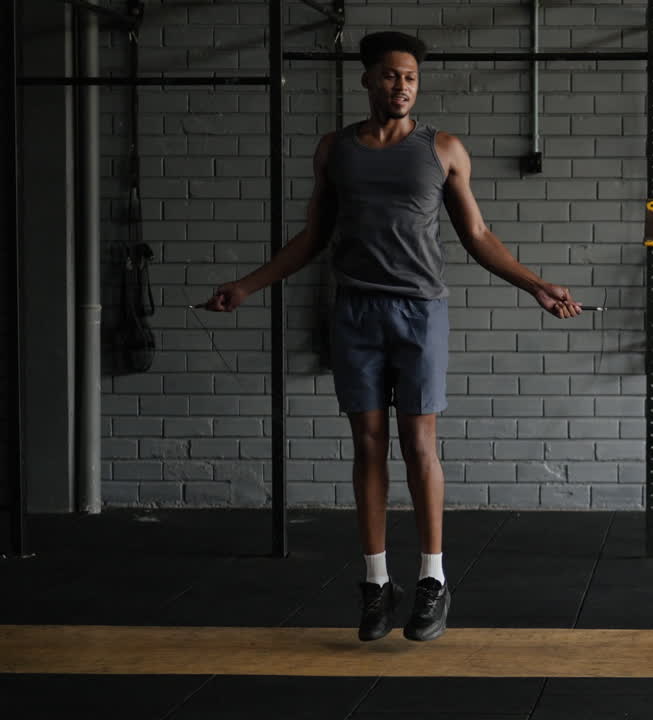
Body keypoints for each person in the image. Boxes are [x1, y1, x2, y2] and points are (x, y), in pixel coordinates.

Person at [206, 31, 583, 642]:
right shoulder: (335, 150)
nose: (401, 85)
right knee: (367, 444)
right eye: (389, 75)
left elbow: (478, 235)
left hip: (420, 313)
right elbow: (312, 238)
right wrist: (249, 285)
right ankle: (377, 584)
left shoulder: (444, 149)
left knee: (418, 442)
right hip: (355, 311)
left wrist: (535, 284)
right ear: (368, 81)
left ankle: (432, 580)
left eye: (409, 77)